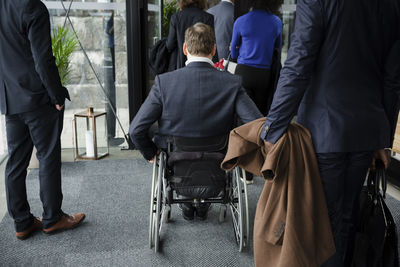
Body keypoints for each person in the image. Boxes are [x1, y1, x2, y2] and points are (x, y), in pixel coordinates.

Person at [260, 0, 400, 266]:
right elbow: (392, 79)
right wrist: (383, 140)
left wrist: (272, 128)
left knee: (320, 221)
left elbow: (299, 64)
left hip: (324, 130)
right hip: (366, 130)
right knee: (345, 216)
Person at [130, 23, 262, 220]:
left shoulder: (164, 83)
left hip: (177, 159)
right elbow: (255, 123)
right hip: (219, 159)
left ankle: (188, 202)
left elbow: (136, 130)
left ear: (185, 49)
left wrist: (151, 153)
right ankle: (203, 203)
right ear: (214, 49)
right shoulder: (232, 83)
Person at [0, 0, 85, 240]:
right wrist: (57, 96)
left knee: (16, 162)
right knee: (47, 156)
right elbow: (43, 59)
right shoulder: (33, 7)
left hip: (11, 99)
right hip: (36, 98)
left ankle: (22, 222)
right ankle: (53, 218)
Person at [230, 0, 282, 116]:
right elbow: (278, 48)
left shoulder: (241, 21)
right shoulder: (276, 22)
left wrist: (241, 52)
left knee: (243, 114)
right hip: (264, 74)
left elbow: (233, 52)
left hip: (243, 72)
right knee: (260, 114)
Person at [166, 0, 216, 69]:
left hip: (180, 65)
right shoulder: (208, 17)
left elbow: (170, 45)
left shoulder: (176, 17)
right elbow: (210, 43)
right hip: (202, 65)